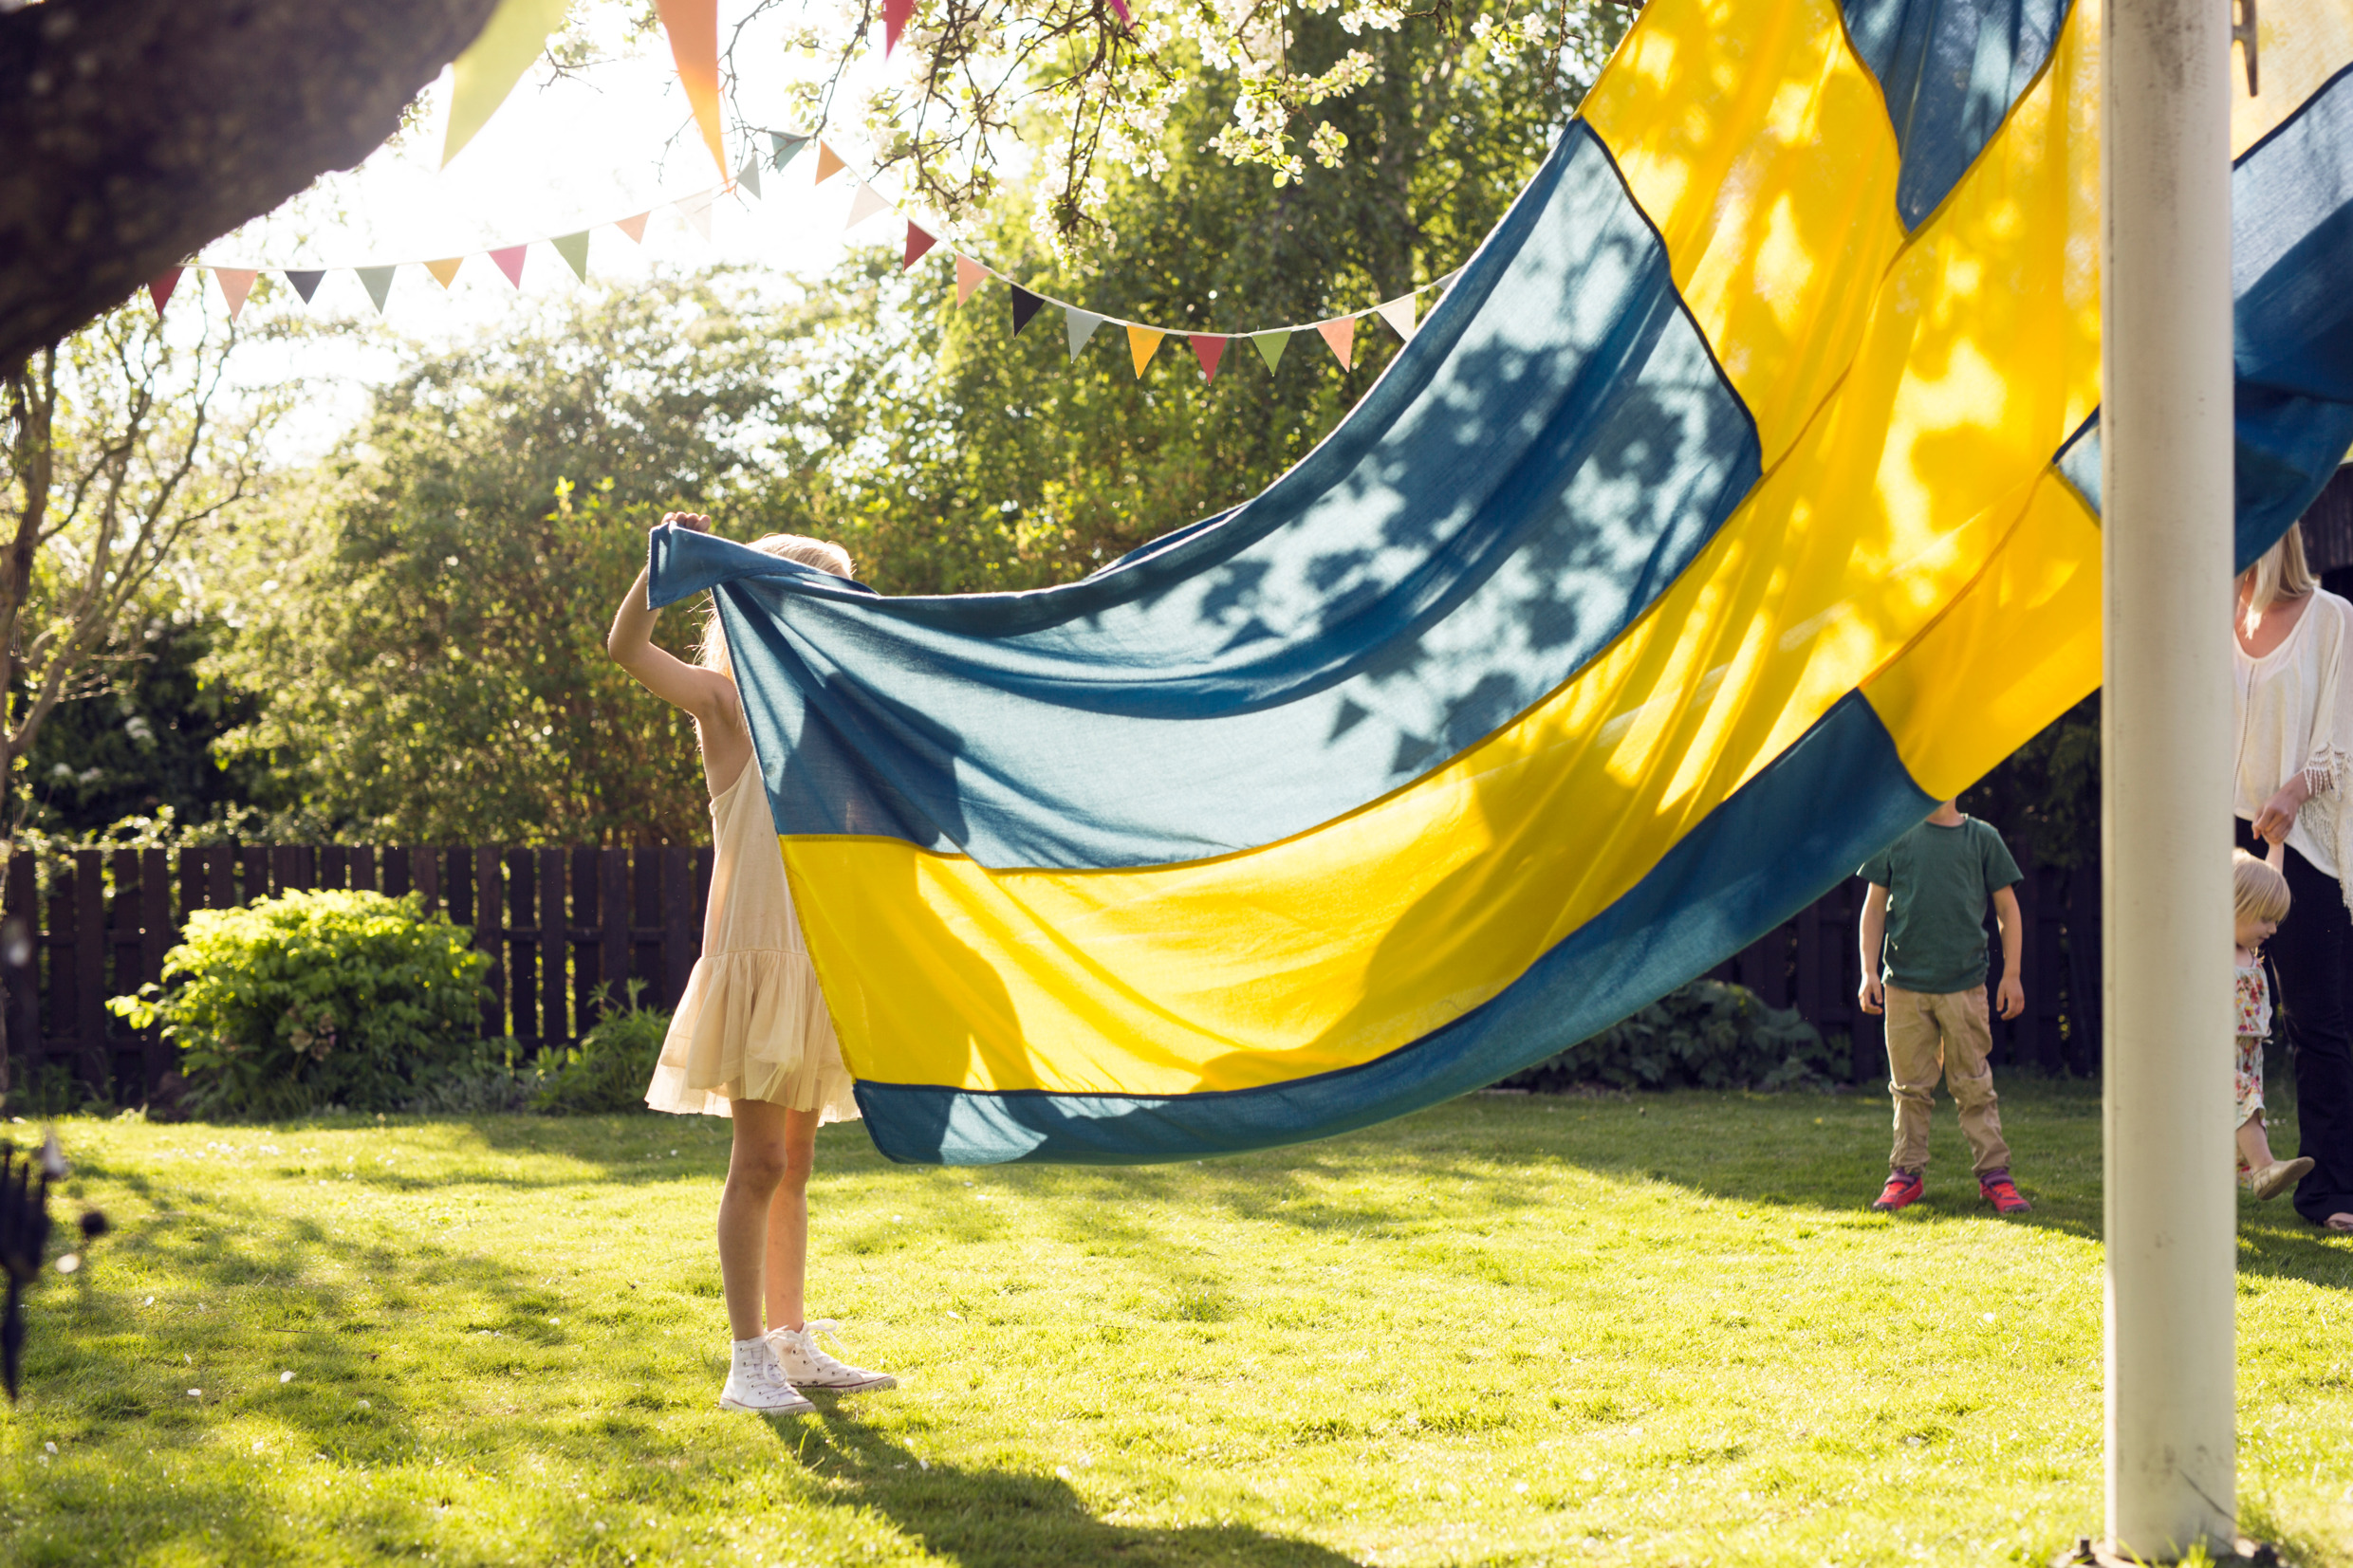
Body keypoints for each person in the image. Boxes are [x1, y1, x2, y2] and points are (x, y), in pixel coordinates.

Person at [606, 512, 896, 1412]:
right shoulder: (725, 703)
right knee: (759, 1162)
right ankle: (747, 1359)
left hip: (816, 962)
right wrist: (662, 565)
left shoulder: (834, 721)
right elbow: (625, 647)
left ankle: (791, 1339)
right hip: (755, 958)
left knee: (799, 1163)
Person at [2232, 522, 2353, 1231]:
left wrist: (2294, 792)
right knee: (2205, 1010)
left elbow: (2343, 734)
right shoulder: (2217, 615)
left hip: (2300, 837)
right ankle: (2231, 1161)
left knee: (2317, 1019)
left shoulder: (2333, 619)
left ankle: (2331, 1190)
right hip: (2224, 839)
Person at [1856, 800, 2031, 1216]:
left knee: (1973, 1083)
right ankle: (1905, 1176)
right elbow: (1874, 907)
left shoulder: (1982, 838)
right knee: (1909, 1088)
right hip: (1904, 985)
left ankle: (1995, 1177)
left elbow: (2008, 909)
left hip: (1965, 986)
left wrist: (2013, 974)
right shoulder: (1894, 835)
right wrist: (1867, 972)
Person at [2232, 849, 2315, 1201]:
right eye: (2266, 919)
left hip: (2249, 1058)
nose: (2274, 928)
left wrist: (2276, 845)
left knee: (2241, 1120)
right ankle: (2264, 1168)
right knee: (2242, 1102)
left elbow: (2267, 881)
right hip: (2215, 1055)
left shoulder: (2247, 947)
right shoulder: (2214, 945)